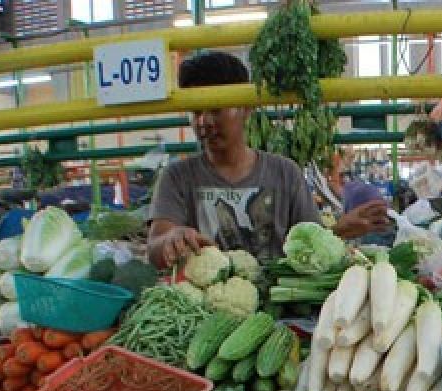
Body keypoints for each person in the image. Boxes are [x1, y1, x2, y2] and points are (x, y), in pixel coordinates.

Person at [147, 51, 389, 269]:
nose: (204, 122)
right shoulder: (176, 177)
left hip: (280, 301)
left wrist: (340, 230)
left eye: (215, 110)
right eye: (196, 112)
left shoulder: (285, 173)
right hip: (204, 302)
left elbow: (309, 245)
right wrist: (170, 239)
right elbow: (155, 248)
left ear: (246, 108)